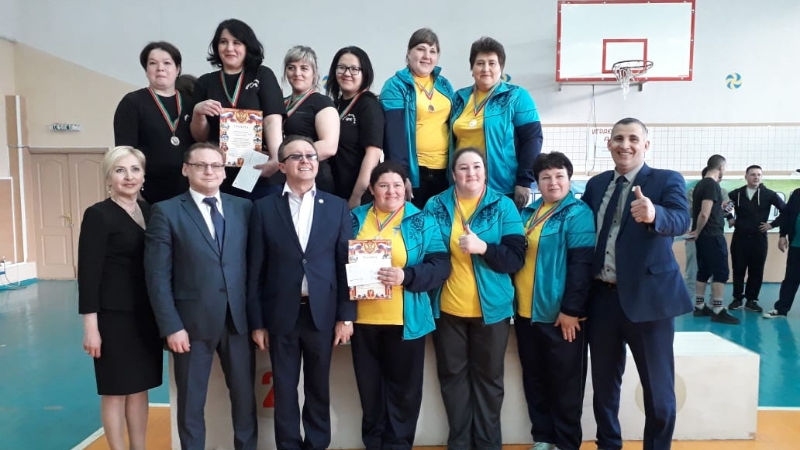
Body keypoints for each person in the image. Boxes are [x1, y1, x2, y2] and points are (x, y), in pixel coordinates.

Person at [581, 118, 691, 450]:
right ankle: (608, 444)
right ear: (609, 144)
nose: (624, 145)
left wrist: (655, 214)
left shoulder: (666, 180)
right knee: (604, 386)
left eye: (632, 138)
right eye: (618, 138)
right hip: (602, 299)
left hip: (649, 300)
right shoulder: (597, 185)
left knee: (658, 390)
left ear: (646, 144)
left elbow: (681, 220)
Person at [145, 143, 256, 450]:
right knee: (191, 404)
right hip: (190, 326)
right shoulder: (166, 211)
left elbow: (253, 265)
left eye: (216, 165)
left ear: (224, 171)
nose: (209, 171)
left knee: (245, 401)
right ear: (186, 169)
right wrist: (171, 326)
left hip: (238, 322)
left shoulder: (244, 208)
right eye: (200, 165)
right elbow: (157, 276)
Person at [246, 135, 354, 450]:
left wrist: (346, 316)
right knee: (284, 386)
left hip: (323, 313)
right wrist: (257, 322)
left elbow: (345, 265)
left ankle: (318, 444)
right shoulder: (263, 209)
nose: (305, 161)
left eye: (310, 155)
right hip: (281, 315)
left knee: (319, 387)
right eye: (296, 156)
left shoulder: (336, 207)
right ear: (282, 166)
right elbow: (256, 271)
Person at [423, 147, 526, 450]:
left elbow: (515, 258)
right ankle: (459, 444)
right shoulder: (435, 205)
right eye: (464, 168)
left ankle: (487, 445)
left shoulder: (503, 205)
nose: (471, 173)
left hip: (491, 311)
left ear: (485, 171)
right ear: (453, 174)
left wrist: (484, 248)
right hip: (447, 310)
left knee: (489, 381)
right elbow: (425, 253)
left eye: (477, 167)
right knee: (451, 379)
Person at [349, 161, 451, 450]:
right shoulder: (354, 219)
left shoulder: (422, 220)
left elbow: (441, 265)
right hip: (362, 321)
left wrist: (407, 276)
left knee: (404, 393)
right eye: (383, 185)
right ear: (372, 189)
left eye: (397, 185)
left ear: (406, 187)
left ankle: (398, 445)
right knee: (369, 391)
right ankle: (373, 444)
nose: (391, 191)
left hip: (405, 321)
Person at [78, 146, 162, 450]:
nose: (129, 176)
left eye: (135, 169)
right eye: (120, 170)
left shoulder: (152, 212)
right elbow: (88, 275)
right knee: (115, 391)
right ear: (109, 177)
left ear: (144, 175)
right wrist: (91, 328)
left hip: (146, 316)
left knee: (139, 388)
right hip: (113, 317)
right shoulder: (98, 215)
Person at [514, 152, 595, 450]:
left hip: (560, 316)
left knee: (565, 385)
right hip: (526, 314)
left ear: (569, 180)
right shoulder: (527, 213)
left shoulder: (578, 213)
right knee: (535, 380)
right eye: (545, 177)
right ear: (537, 182)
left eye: (559, 176)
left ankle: (566, 442)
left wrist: (571, 310)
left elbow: (582, 266)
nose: (553, 182)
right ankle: (543, 438)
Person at [191, 18, 285, 199]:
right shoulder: (205, 82)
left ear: (247, 46)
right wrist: (198, 113)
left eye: (237, 42)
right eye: (223, 42)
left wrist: (276, 158)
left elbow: (272, 120)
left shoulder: (262, 74)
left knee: (263, 215)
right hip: (218, 171)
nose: (229, 48)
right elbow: (201, 138)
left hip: (257, 167)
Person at [450, 37, 543, 209]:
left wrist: (524, 181)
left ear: (501, 68)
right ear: (472, 68)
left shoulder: (516, 96)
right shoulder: (458, 98)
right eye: (480, 63)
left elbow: (533, 139)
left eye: (492, 63)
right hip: (463, 186)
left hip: (503, 187)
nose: (486, 69)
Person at [381, 28, 454, 208]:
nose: (427, 56)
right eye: (421, 49)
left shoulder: (444, 84)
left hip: (445, 172)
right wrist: (401, 175)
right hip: (414, 175)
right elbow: (394, 137)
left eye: (433, 51)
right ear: (408, 53)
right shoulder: (395, 86)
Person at [114, 42, 194, 204]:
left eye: (167, 63)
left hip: (189, 192)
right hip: (149, 194)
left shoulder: (191, 103)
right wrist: (136, 192)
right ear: (146, 70)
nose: (160, 68)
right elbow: (124, 152)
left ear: (178, 69)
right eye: (153, 63)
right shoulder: (133, 102)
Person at [326, 46, 384, 208]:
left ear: (365, 73)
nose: (347, 73)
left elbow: (373, 154)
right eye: (342, 67)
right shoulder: (333, 105)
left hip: (357, 196)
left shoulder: (368, 105)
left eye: (354, 69)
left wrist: (357, 196)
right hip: (333, 192)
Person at [687, 154, 739, 324]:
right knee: (721, 272)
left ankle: (700, 306)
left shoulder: (701, 185)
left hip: (704, 236)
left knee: (704, 270)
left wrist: (698, 232)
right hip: (712, 235)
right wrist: (697, 231)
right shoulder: (711, 185)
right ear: (721, 167)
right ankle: (718, 309)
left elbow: (709, 211)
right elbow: (704, 213)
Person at [726, 165, 786, 312]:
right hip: (739, 238)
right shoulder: (736, 194)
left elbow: (786, 211)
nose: (756, 177)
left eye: (759, 174)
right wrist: (729, 217)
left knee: (756, 270)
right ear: (746, 176)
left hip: (759, 239)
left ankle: (751, 300)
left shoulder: (769, 194)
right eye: (753, 174)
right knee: (738, 269)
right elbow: (723, 206)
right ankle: (737, 298)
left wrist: (772, 225)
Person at [282, 45, 339, 193]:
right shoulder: (280, 103)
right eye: (291, 67)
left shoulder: (322, 102)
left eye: (304, 68)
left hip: (315, 180)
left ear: (314, 73)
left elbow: (329, 146)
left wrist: (286, 158)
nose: (297, 73)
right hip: (284, 178)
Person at [764, 187, 800, 318]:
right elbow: (787, 215)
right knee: (791, 278)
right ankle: (781, 309)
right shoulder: (797, 193)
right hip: (796, 244)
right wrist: (783, 235)